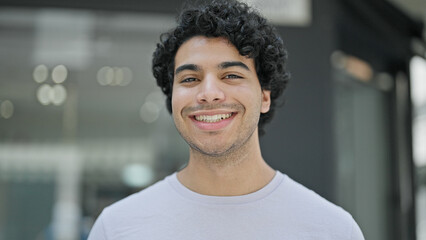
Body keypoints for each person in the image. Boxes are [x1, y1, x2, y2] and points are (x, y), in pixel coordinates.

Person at [88, 0, 365, 239]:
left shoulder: (332, 231)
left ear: (265, 96)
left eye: (231, 75)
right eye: (190, 79)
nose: (209, 93)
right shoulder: (117, 229)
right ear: (173, 100)